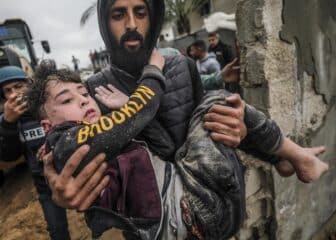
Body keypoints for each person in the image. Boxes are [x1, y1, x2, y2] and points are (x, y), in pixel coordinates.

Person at [42, 0, 328, 237]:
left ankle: (282, 157)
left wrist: (241, 133)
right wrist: (62, 194)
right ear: (105, 23)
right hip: (167, 224)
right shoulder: (92, 94)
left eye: (140, 13)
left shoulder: (180, 65)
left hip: (218, 203)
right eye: (118, 14)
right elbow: (87, 170)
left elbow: (211, 129)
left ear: (153, 18)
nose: (131, 24)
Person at [0, 65, 70, 240]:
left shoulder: (51, 106)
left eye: (19, 86)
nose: (14, 94)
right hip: (46, 187)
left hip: (75, 175)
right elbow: (6, 156)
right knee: (57, 232)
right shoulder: (7, 123)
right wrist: (8, 124)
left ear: (30, 85)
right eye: (8, 91)